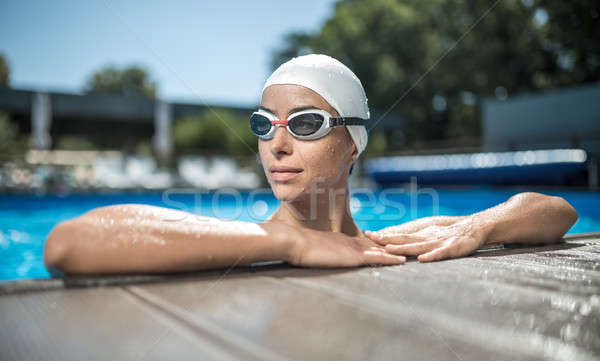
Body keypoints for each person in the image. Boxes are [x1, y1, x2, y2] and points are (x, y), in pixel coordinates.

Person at [43, 54, 578, 275]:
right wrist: (291, 242)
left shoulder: (389, 241)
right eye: (263, 125)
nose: (276, 146)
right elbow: (66, 243)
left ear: (353, 144)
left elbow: (556, 211)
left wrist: (478, 226)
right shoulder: (245, 240)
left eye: (304, 124)